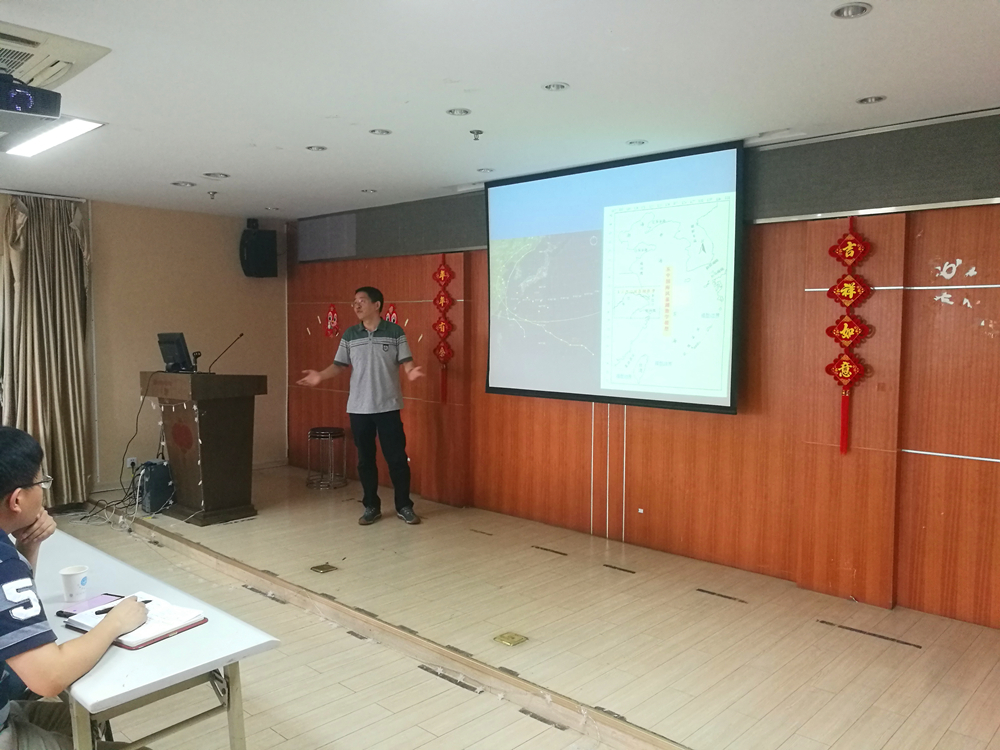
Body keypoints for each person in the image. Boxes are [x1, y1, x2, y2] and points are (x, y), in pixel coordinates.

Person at [0, 426, 149, 750]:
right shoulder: (3, 564)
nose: (45, 490)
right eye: (41, 483)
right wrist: (115, 622)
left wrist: (29, 544)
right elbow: (48, 677)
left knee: (85, 721)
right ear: (17, 499)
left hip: (5, 705)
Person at [298, 286, 425, 526]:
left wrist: (411, 372)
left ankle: (404, 506)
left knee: (397, 459)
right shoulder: (350, 335)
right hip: (358, 408)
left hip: (388, 406)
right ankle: (371, 506)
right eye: (354, 301)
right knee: (365, 460)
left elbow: (406, 361)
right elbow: (339, 365)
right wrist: (320, 376)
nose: (356, 305)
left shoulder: (395, 331)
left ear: (377, 305)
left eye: (362, 301)